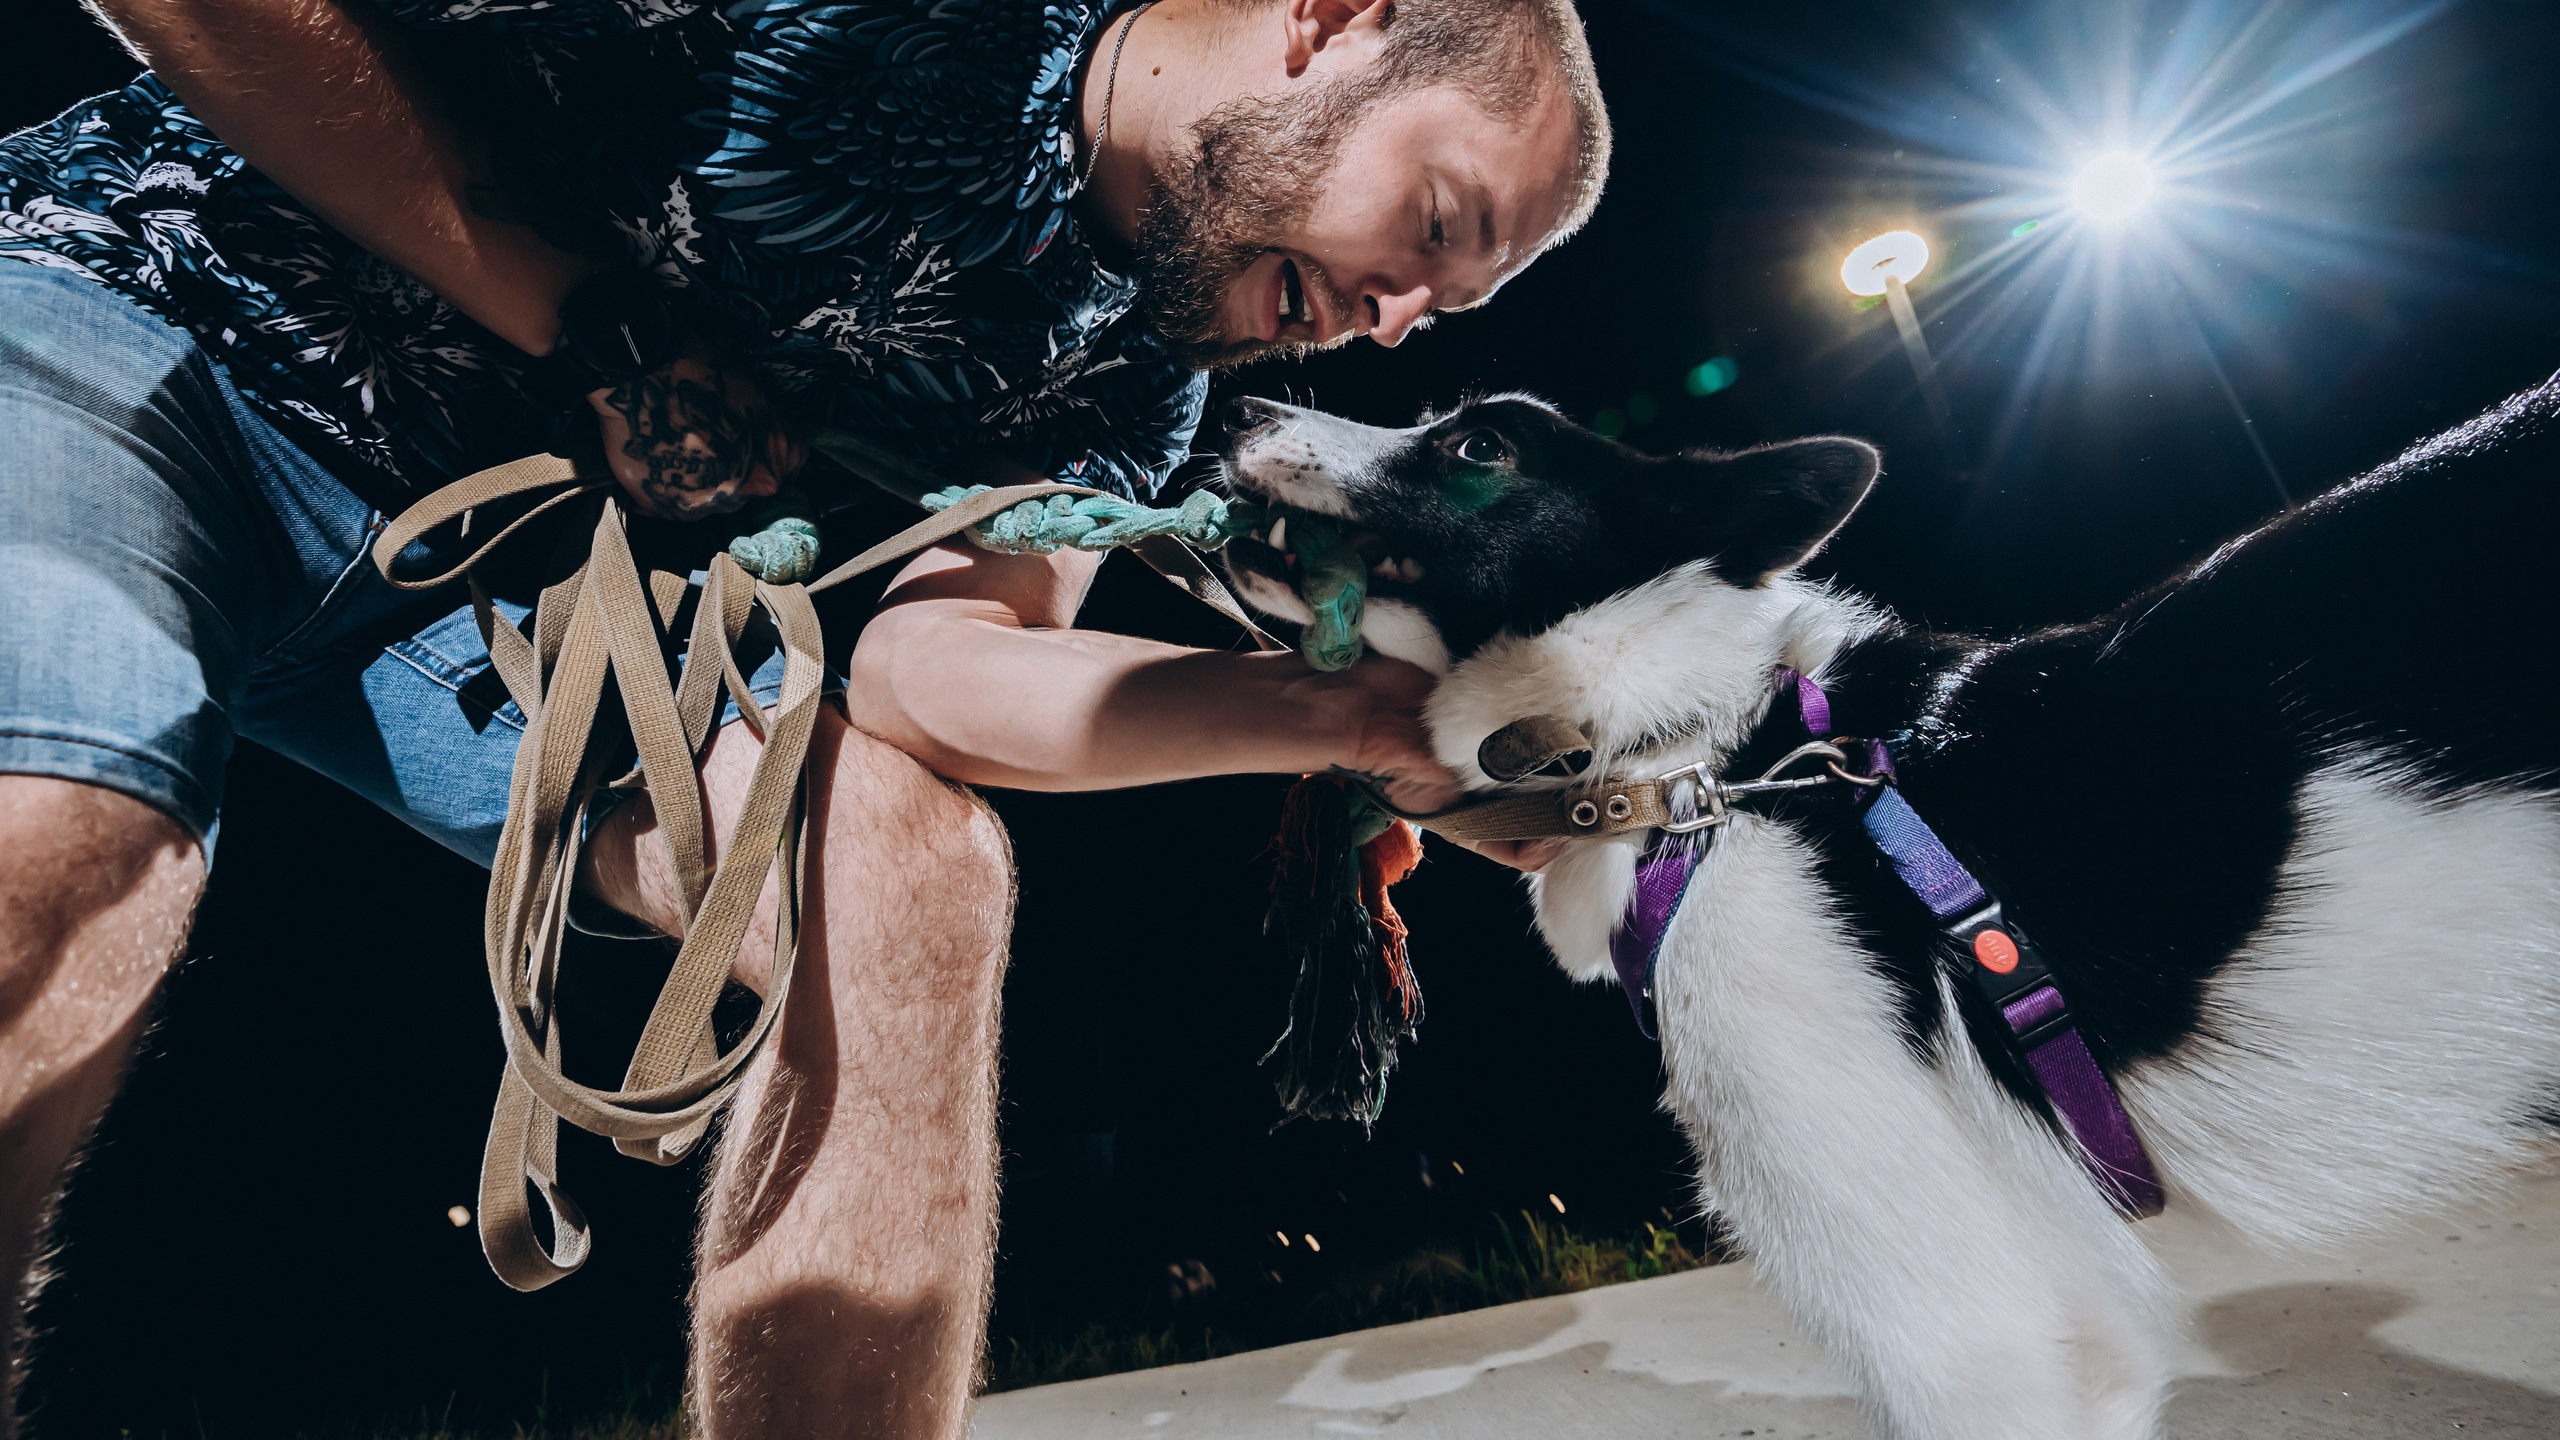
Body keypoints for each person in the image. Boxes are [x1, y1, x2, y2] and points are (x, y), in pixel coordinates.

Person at [0, 0, 1606, 1432]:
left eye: (1447, 310)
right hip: (146, 339)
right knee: (67, 838)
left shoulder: (1126, 370)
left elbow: (936, 674)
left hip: (496, 603)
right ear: (1332, 21)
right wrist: (586, 321)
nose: (1398, 318)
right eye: (1436, 219)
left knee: (907, 870)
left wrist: (1334, 708)